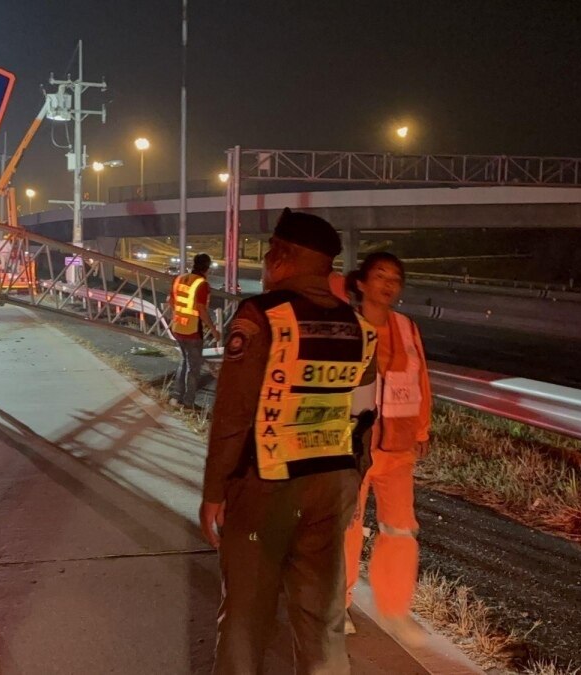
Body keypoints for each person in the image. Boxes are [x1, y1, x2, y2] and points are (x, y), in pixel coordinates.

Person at [200, 208, 377, 674]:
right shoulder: (359, 327)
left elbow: (233, 415)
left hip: (267, 486)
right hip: (332, 483)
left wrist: (214, 491)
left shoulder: (264, 316)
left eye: (269, 253)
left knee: (245, 617)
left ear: (281, 257)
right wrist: (353, 479)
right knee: (321, 617)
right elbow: (365, 416)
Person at [341, 253, 432, 635]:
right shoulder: (344, 325)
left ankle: (394, 608)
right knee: (346, 526)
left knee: (399, 528)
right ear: (361, 283)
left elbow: (420, 380)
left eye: (396, 277)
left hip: (398, 444)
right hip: (351, 446)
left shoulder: (408, 327)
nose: (389, 283)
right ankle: (337, 605)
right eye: (380, 275)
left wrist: (422, 431)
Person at [168, 253, 220, 408]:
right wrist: (214, 330)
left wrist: (180, 316)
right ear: (207, 268)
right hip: (192, 331)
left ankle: (176, 397)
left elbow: (171, 301)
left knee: (184, 362)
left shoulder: (179, 279)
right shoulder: (201, 284)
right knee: (194, 368)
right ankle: (188, 402)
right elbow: (201, 310)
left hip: (177, 327)